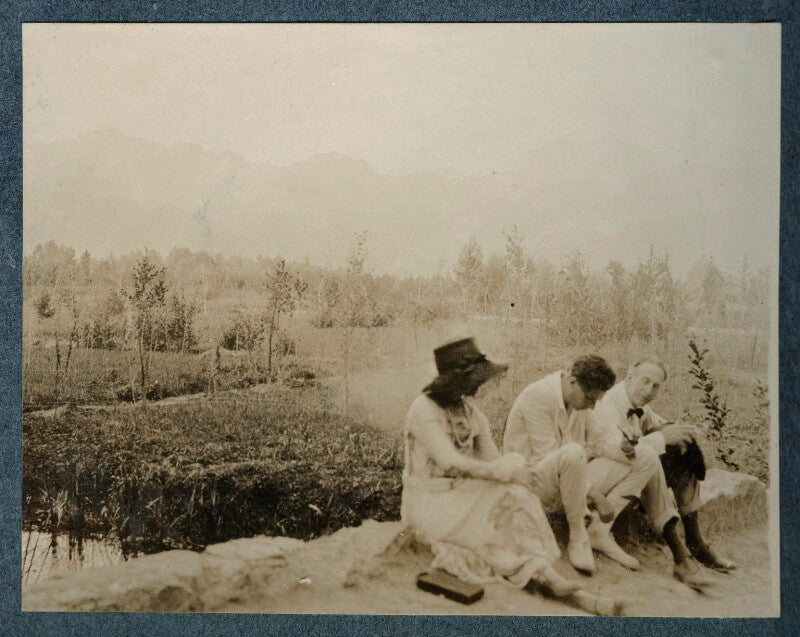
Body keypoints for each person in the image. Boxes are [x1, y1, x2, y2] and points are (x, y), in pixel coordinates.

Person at [402, 338, 622, 615]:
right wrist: (499, 472)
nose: (477, 387)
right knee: (502, 502)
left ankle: (547, 575)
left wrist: (516, 471)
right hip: (430, 501)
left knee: (518, 493)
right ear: (455, 380)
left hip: (463, 495)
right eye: (473, 380)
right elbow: (450, 462)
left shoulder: (471, 413)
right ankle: (544, 577)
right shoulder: (422, 409)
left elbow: (496, 459)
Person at [503, 355, 661, 574]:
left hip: (569, 481)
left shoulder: (581, 402)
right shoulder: (538, 396)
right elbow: (547, 457)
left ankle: (599, 532)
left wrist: (623, 448)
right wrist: (595, 494)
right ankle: (578, 537)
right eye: (589, 399)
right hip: (532, 484)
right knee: (574, 452)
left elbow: (599, 442)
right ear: (573, 381)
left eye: (597, 400)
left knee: (646, 457)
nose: (592, 405)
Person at [593, 355, 736, 588]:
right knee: (651, 459)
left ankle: (695, 540)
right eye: (645, 381)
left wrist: (683, 435)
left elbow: (660, 425)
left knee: (683, 448)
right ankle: (681, 556)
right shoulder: (609, 403)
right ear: (629, 376)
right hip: (602, 485)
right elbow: (618, 452)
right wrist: (661, 437)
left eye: (656, 385)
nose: (649, 390)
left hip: (626, 478)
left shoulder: (639, 405)